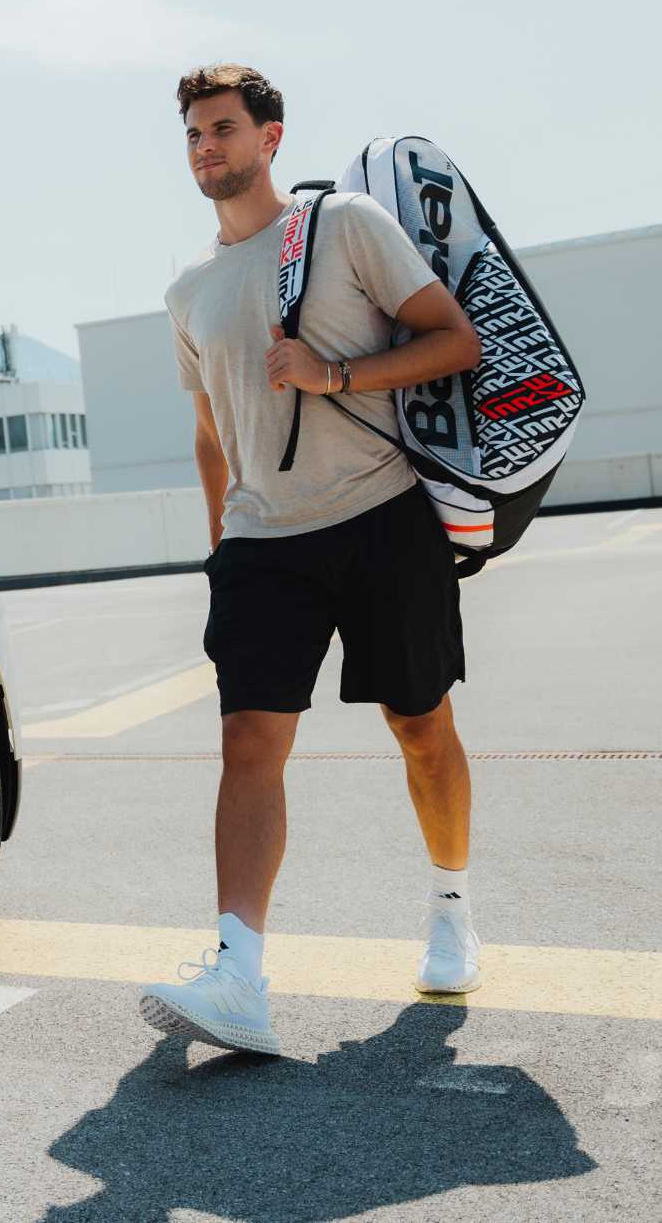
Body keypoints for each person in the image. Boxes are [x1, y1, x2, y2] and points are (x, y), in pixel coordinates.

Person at [139, 64, 486, 1056]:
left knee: (419, 726)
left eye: (220, 128)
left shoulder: (343, 228)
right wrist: (221, 550)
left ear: (269, 137)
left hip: (379, 518)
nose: (204, 147)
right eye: (192, 134)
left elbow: (452, 341)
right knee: (248, 742)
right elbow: (209, 433)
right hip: (261, 545)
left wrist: (334, 373)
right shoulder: (187, 291)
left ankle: (451, 908)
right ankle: (237, 974)